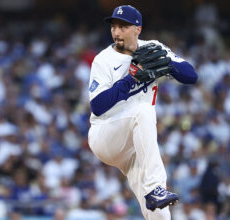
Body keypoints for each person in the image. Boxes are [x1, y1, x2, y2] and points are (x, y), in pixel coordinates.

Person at [87, 5, 198, 220]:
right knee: (143, 110)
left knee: (161, 214)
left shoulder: (153, 47)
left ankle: (155, 193)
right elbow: (98, 106)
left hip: (134, 148)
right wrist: (131, 79)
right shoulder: (103, 60)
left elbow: (191, 76)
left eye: (123, 26)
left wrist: (167, 64)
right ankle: (155, 188)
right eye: (114, 26)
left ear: (137, 29)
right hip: (106, 134)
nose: (116, 32)